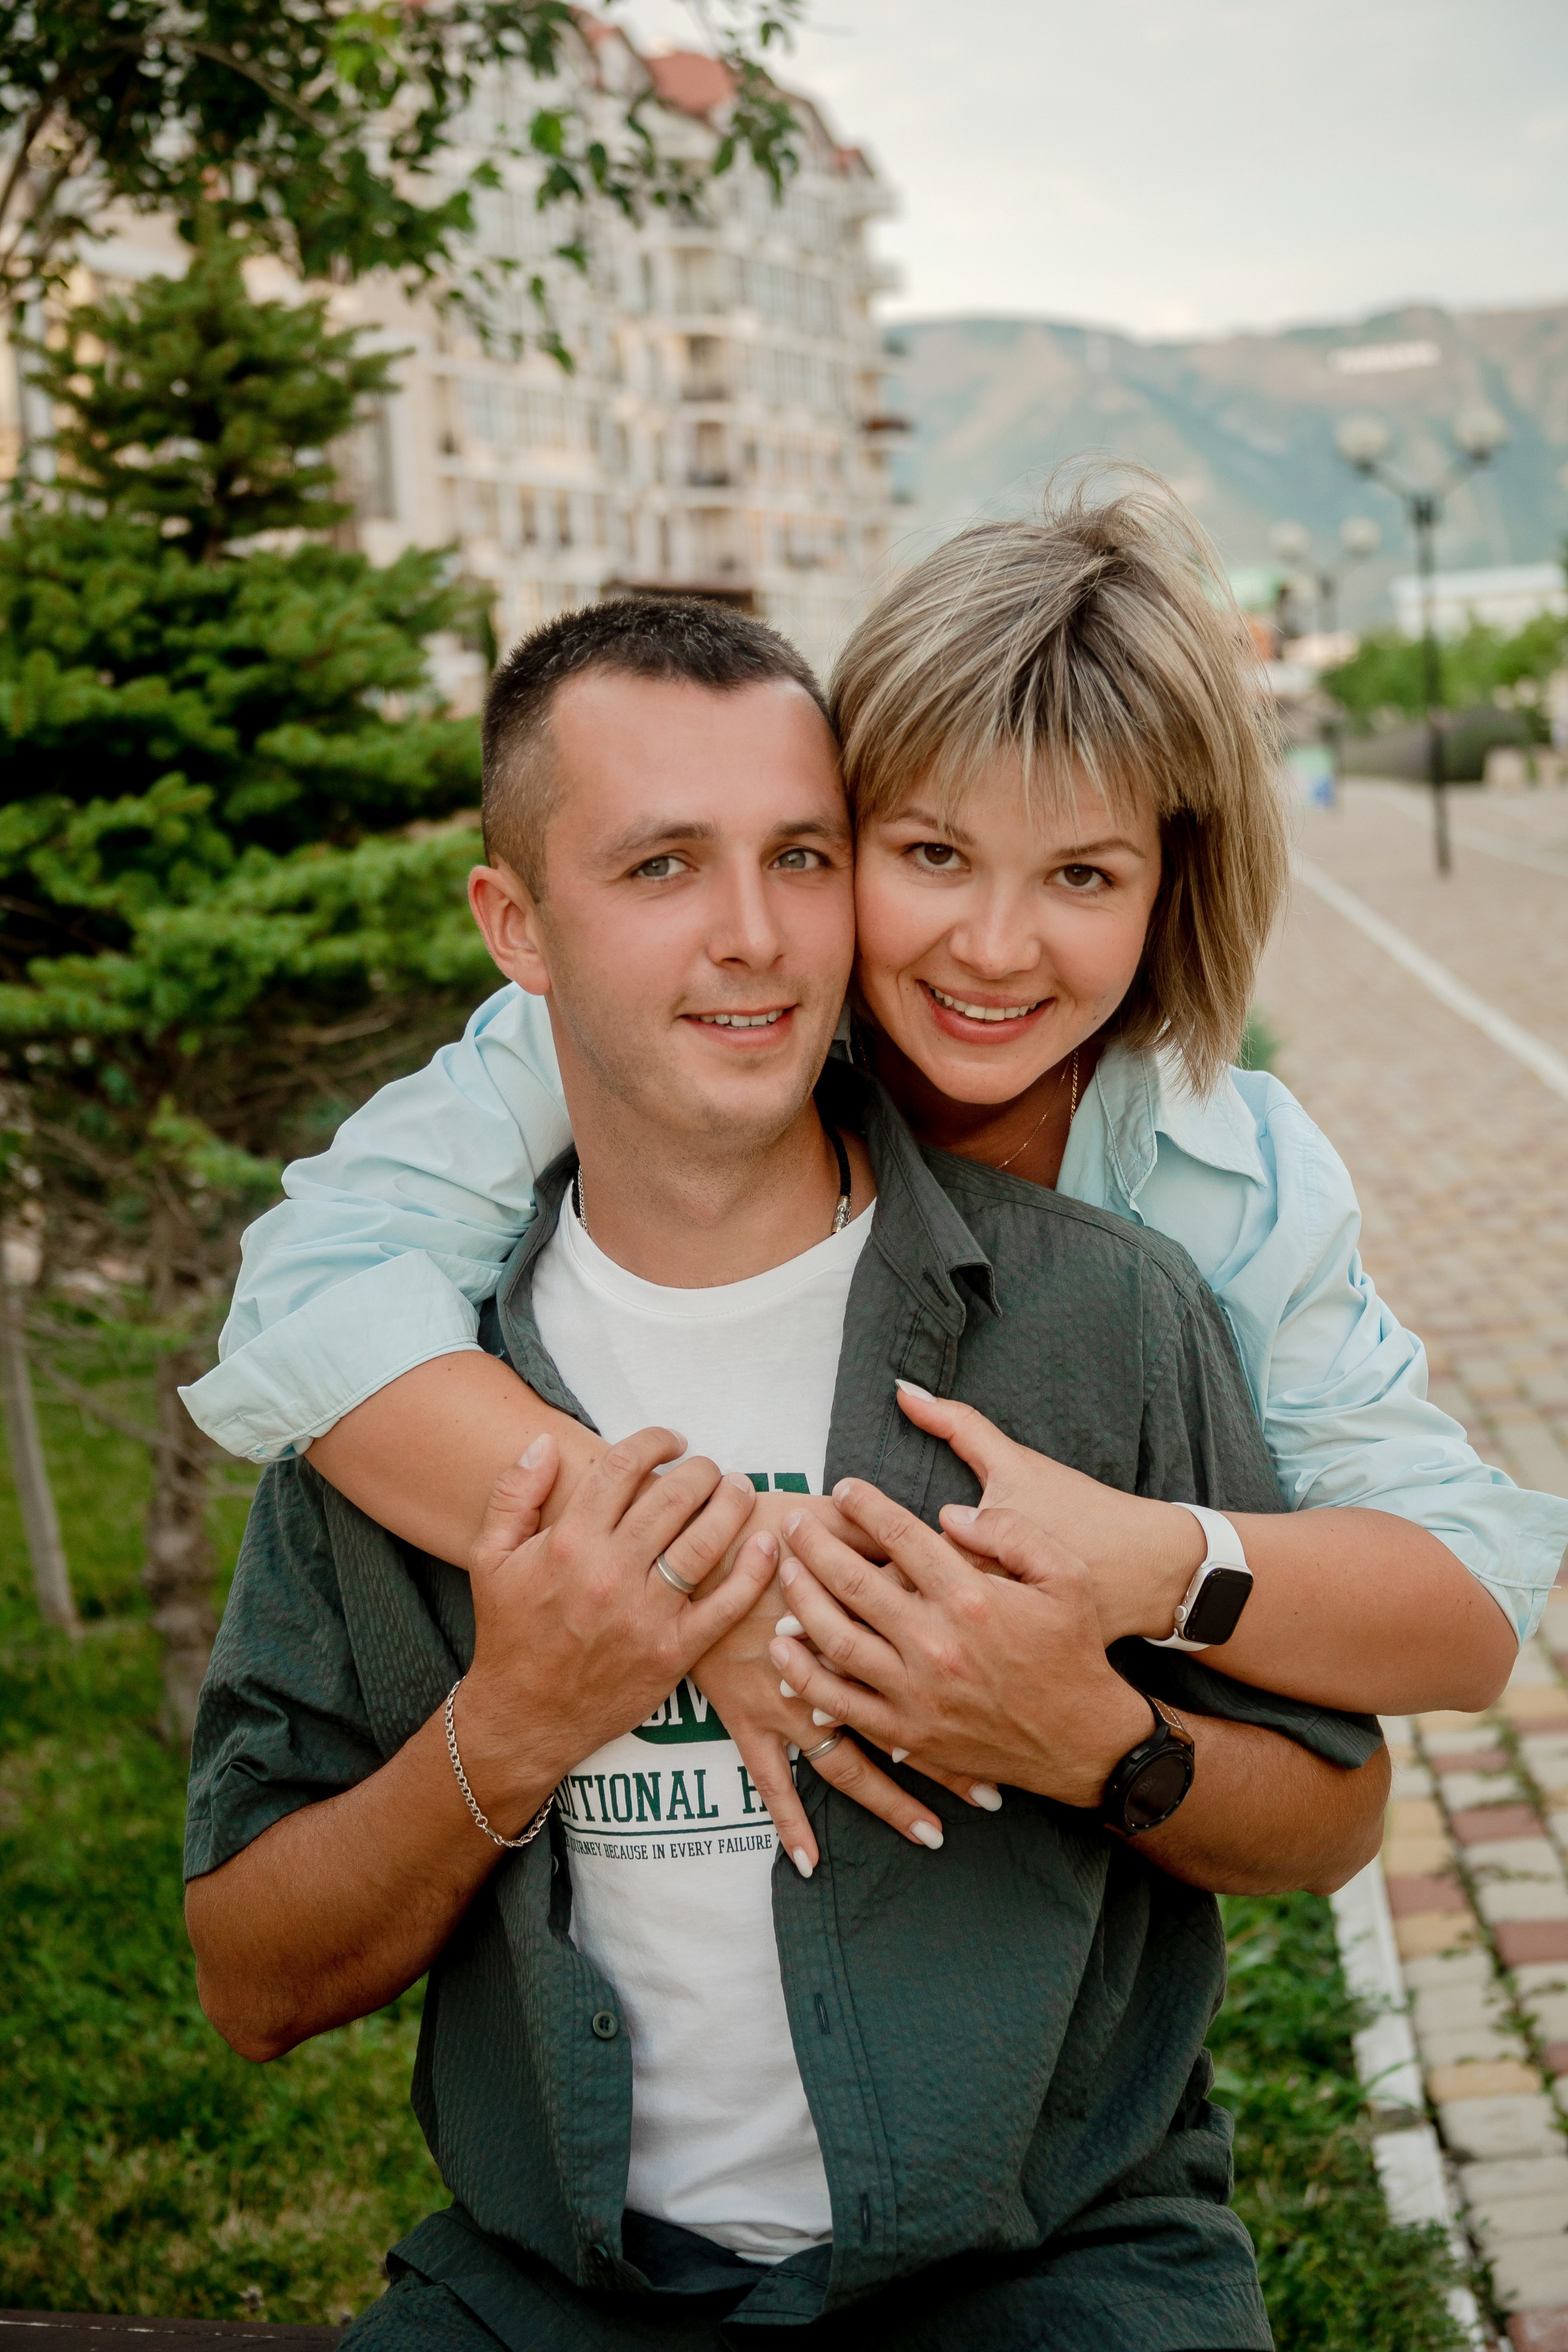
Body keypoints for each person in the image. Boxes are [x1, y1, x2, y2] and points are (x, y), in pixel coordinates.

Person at [185, 605, 1387, 2351]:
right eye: (661, 866)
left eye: (801, 858)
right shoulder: (398, 1392)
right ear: (517, 925)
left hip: (1049, 2285)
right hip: (550, 2297)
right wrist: (514, 1724)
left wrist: (1094, 1739)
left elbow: (1337, 1815)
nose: (750, 937)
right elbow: (250, 1983)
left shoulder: (1103, 1317)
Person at [182, 480, 1564, 1872]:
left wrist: (1149, 1565)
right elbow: (316, 1291)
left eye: (1081, 877)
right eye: (931, 855)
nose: (993, 948)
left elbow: (1462, 1602)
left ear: (1167, 893)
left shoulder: (1224, 1165)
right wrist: (700, 1579)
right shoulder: (704, 1028)